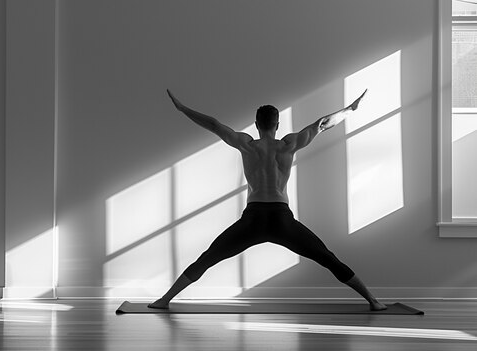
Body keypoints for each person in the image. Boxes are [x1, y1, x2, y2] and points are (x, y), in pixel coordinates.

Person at [148, 89, 387, 311]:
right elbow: (322, 124)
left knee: (209, 257)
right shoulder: (288, 144)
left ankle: (164, 300)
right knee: (327, 258)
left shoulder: (246, 144)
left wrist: (182, 108)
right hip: (282, 220)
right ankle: (373, 301)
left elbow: (213, 125)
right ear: (277, 124)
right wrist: (349, 109)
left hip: (253, 219)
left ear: (256, 125)